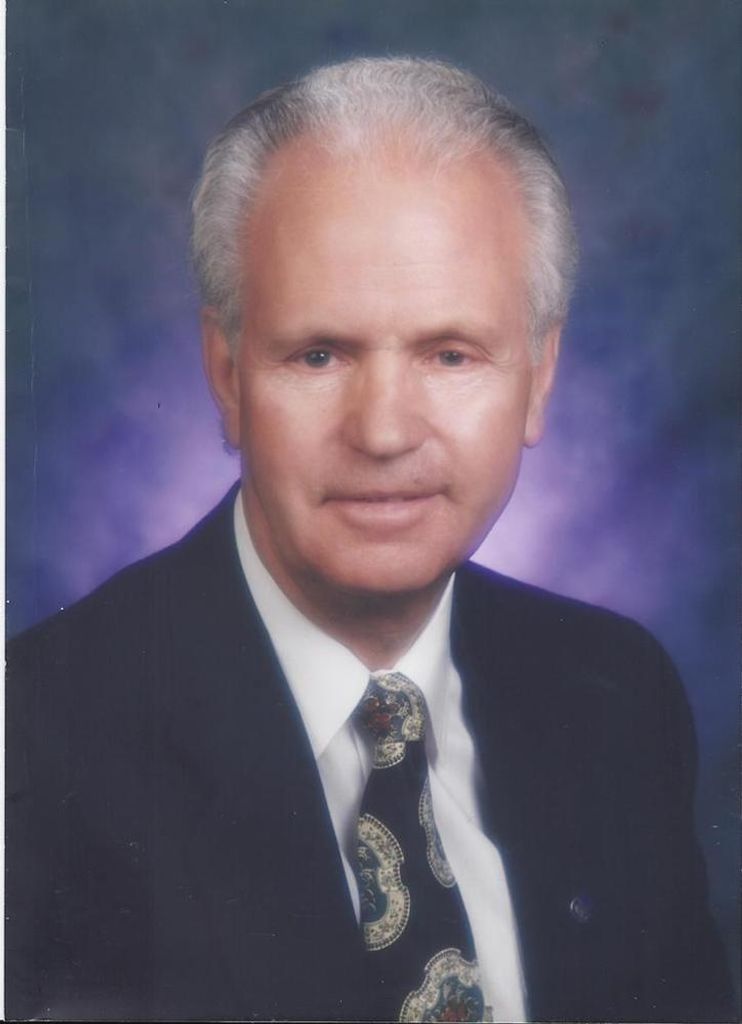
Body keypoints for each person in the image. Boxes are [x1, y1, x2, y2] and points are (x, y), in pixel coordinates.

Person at [6, 57, 733, 1023]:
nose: (385, 432)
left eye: (450, 354)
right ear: (226, 374)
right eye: (319, 354)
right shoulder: (34, 743)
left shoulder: (617, 697)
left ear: (540, 375)